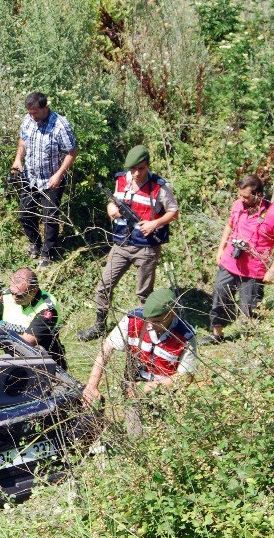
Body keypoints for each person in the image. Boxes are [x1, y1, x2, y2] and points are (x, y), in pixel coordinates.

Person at [78, 145, 179, 342]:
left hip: (147, 246)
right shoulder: (121, 180)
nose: (136, 173)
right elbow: (113, 201)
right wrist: (110, 209)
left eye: (141, 168)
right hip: (122, 243)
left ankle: (145, 330)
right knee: (103, 286)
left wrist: (154, 223)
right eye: (133, 169)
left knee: (144, 292)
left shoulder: (160, 186)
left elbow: (173, 212)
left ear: (148, 166)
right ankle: (100, 325)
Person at [81, 288, 197, 408]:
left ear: (172, 314)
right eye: (148, 320)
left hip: (167, 395)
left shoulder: (185, 337)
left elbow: (185, 377)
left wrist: (148, 387)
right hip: (132, 387)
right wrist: (92, 385)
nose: (150, 325)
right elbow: (107, 348)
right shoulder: (133, 320)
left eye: (156, 321)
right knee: (133, 421)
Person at [208, 174, 274, 342]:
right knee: (220, 295)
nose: (241, 199)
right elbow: (229, 226)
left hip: (254, 270)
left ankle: (248, 343)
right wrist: (220, 249)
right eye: (239, 195)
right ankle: (217, 335)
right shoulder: (238, 205)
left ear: (258, 195)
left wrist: (272, 271)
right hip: (230, 262)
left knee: (249, 308)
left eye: (245, 196)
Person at [10, 92, 78, 267]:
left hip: (51, 179)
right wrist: (18, 159)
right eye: (30, 113)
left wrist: (59, 174)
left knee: (50, 218)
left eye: (36, 113)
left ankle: (48, 253)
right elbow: (23, 140)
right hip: (31, 177)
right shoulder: (28, 120)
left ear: (45, 107)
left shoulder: (60, 125)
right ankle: (35, 244)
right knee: (25, 214)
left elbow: (72, 152)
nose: (33, 116)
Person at [0, 268, 66, 369]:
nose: (14, 298)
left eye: (20, 295)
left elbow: (25, 343)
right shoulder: (8, 295)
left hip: (43, 367)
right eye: (12, 292)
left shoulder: (47, 309)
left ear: (34, 291)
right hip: (13, 360)